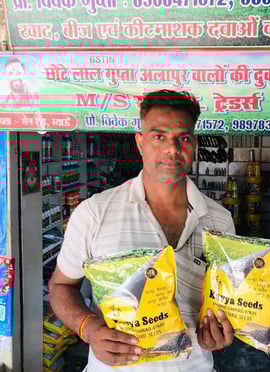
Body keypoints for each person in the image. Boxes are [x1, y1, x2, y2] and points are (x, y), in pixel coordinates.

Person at [49, 89, 236, 372]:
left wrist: (217, 334)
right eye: (158, 136)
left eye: (182, 138)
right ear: (140, 143)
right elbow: (61, 286)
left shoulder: (220, 221)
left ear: (194, 145)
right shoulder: (94, 213)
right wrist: (88, 328)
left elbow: (224, 303)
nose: (171, 149)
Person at [1, 56, 44, 129]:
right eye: (11, 73)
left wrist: (40, 127)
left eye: (18, 72)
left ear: (24, 72)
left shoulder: (32, 92)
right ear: (6, 75)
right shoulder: (4, 97)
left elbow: (37, 114)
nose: (15, 76)